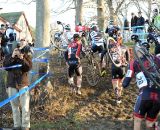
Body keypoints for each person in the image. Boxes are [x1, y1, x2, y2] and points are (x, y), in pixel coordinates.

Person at [122, 38, 160, 130]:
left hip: (145, 95)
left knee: (138, 120)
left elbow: (125, 83)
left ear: (140, 51)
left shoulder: (134, 62)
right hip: (158, 96)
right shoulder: (157, 59)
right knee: (149, 123)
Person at [3, 39, 32, 130]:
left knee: (25, 106)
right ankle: (17, 125)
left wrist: (21, 58)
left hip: (23, 84)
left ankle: (25, 126)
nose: (17, 51)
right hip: (11, 84)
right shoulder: (8, 56)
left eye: (18, 49)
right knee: (14, 106)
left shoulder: (26, 56)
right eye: (15, 49)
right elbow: (6, 67)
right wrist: (12, 57)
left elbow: (28, 68)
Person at [109, 31, 130, 104]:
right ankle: (119, 98)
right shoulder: (125, 47)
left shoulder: (110, 47)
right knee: (120, 83)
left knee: (115, 82)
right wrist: (126, 63)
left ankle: (116, 93)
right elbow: (128, 59)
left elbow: (104, 52)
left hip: (114, 67)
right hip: (122, 67)